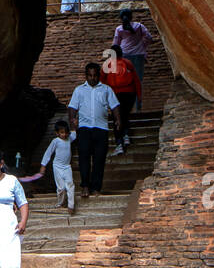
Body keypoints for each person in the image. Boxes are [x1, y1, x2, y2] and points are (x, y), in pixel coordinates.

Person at [67, 62, 122, 198]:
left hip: (101, 128)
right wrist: (72, 121)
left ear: (99, 75)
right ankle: (85, 186)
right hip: (84, 129)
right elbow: (72, 107)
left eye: (95, 75)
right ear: (86, 76)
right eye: (90, 75)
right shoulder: (79, 90)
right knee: (84, 158)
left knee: (99, 159)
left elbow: (114, 106)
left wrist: (118, 120)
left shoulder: (106, 89)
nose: (92, 78)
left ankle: (96, 187)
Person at [101, 45, 142, 154]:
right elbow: (136, 80)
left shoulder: (108, 65)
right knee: (125, 114)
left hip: (115, 94)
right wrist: (139, 96)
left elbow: (102, 81)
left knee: (117, 118)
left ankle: (119, 143)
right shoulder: (127, 63)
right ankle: (126, 135)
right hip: (130, 93)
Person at [112, 8, 152, 102]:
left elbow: (115, 44)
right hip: (139, 55)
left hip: (124, 55)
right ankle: (138, 104)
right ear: (131, 17)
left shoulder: (119, 29)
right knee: (138, 80)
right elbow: (149, 38)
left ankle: (126, 102)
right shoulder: (139, 26)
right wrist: (143, 46)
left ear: (121, 18)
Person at [39, 120, 77, 209]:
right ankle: (60, 203)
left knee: (70, 184)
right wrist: (43, 165)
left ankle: (71, 206)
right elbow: (48, 153)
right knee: (61, 187)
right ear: (57, 133)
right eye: (62, 132)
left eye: (66, 132)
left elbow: (74, 135)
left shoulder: (69, 139)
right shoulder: (55, 141)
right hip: (57, 167)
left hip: (67, 167)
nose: (64, 134)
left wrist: (74, 125)